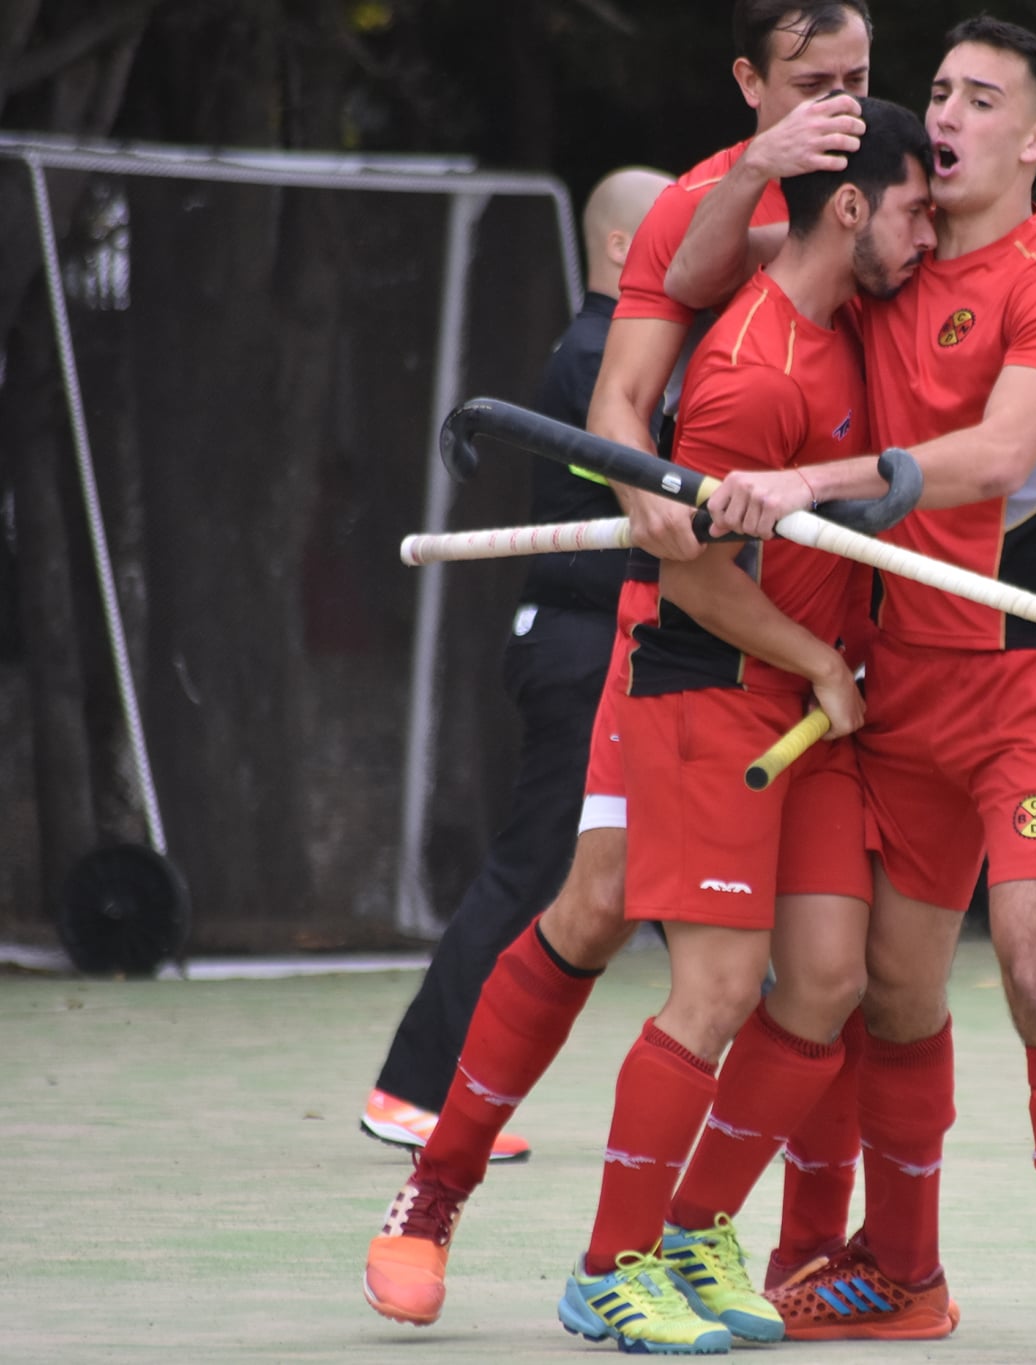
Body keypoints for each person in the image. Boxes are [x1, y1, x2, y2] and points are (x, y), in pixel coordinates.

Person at [361, 1, 875, 1332]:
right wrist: (634, 475)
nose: (840, 103)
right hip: (690, 635)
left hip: (802, 652)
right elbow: (615, 391)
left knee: (813, 977)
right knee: (593, 916)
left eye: (861, 80)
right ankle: (441, 1194)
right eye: (813, 82)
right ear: (752, 83)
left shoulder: (886, 210)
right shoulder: (703, 214)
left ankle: (687, 1234)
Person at [691, 18, 1036, 1362]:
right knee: (890, 997)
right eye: (937, 88)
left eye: (979, 97)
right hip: (899, 679)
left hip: (1029, 674)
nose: (942, 113)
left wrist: (807, 486)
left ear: (1035, 139)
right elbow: (706, 272)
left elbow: (996, 454)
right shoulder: (877, 254)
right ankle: (900, 1277)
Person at [554, 99, 937, 1355]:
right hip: (719, 687)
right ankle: (605, 1270)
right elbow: (693, 577)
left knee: (823, 984)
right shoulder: (750, 365)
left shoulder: (854, 327)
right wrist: (825, 661)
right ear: (848, 208)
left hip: (807, 704)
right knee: (714, 991)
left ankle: (688, 1230)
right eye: (914, 210)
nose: (928, 236)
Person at [359, 166, 669, 1162]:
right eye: (673, 232)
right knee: (532, 871)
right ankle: (414, 1091)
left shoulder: (618, 348)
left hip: (613, 644)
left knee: (679, 873)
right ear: (625, 247)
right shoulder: (598, 356)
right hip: (582, 647)